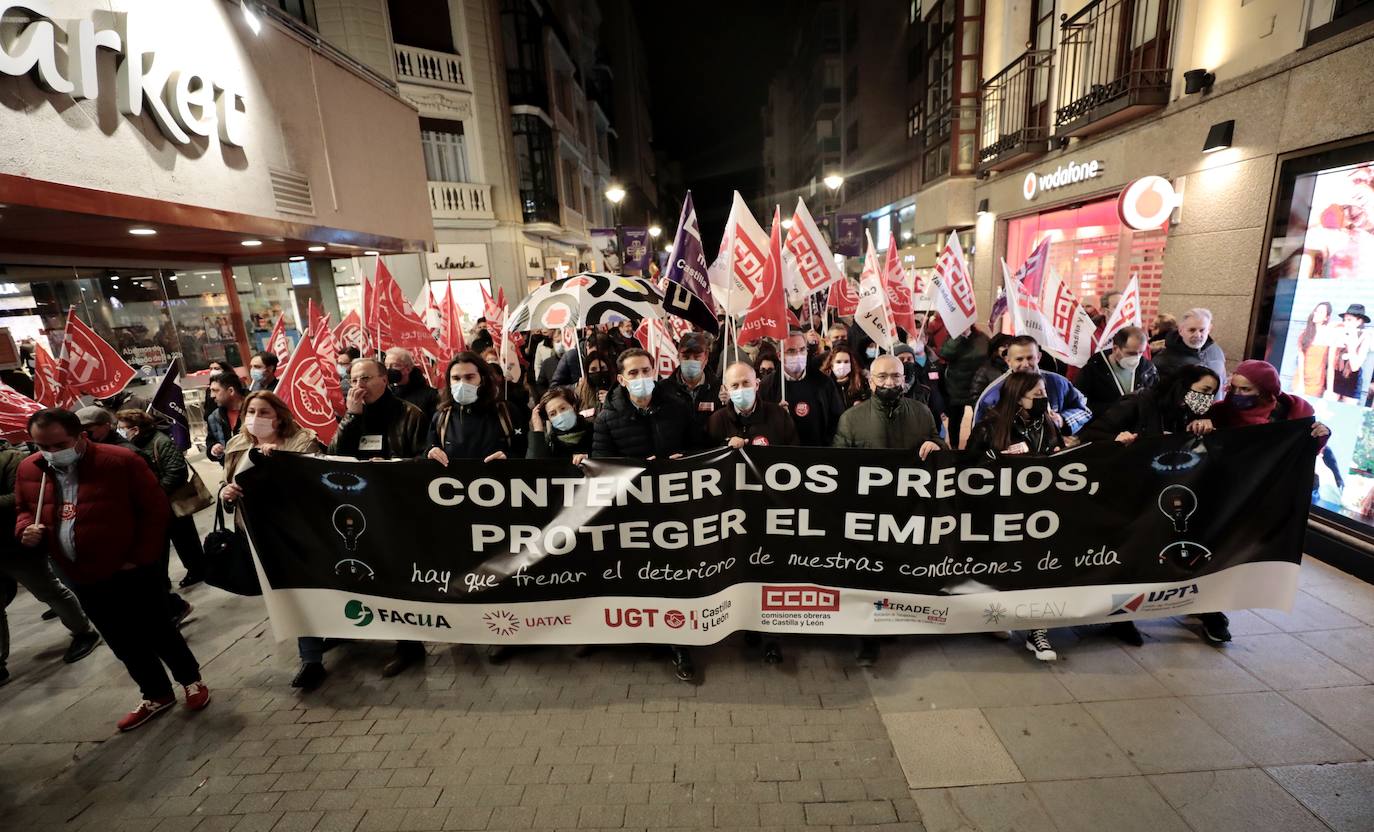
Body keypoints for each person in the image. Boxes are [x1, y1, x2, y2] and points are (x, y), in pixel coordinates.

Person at [16, 408, 209, 731]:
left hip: (132, 570)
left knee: (158, 629)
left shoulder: (120, 461)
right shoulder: (30, 470)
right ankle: (155, 693)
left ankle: (191, 680)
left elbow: (155, 511)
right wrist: (25, 529)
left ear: (80, 436)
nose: (50, 454)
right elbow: (25, 508)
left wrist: (139, 558)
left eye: (58, 444)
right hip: (83, 574)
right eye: (41, 447)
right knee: (121, 639)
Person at [1077, 364, 1221, 646]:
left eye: (1213, 394)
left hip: (1167, 494)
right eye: (1204, 391)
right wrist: (1116, 440)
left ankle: (1207, 610)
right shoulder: (1139, 403)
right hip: (1128, 493)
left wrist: (1205, 433)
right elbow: (1091, 435)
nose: (1208, 399)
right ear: (1183, 385)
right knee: (1129, 555)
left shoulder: (1194, 415)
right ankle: (1119, 618)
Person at [1191, 359, 1331, 645]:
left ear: (1266, 391)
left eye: (1246, 389)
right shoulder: (1220, 412)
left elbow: (1306, 449)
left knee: (1240, 556)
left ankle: (1214, 604)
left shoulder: (1295, 411)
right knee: (1214, 552)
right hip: (1223, 495)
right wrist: (1201, 425)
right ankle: (1210, 610)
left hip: (1265, 498)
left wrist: (1321, 435)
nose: (1237, 394)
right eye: (1234, 387)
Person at [592, 348, 702, 682]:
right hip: (632, 515)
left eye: (646, 371)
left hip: (674, 511)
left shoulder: (678, 408)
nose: (642, 379)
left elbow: (699, 450)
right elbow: (601, 469)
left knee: (674, 575)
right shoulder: (608, 418)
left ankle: (678, 642)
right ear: (622, 380)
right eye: (634, 374)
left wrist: (683, 461)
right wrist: (638, 471)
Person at [833, 354, 945, 668]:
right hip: (867, 512)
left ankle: (889, 623)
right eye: (882, 377)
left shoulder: (922, 413)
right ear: (870, 381)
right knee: (867, 575)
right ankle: (867, 638)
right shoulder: (851, 419)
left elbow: (940, 444)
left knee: (896, 573)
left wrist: (937, 447)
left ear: (905, 379)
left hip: (907, 512)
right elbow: (838, 464)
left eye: (895, 377)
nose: (889, 383)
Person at [218, 392, 327, 688]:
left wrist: (279, 462)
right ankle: (313, 650)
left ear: (279, 415)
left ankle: (312, 657)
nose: (256, 417)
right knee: (286, 596)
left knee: (303, 591)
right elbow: (227, 482)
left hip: (297, 532)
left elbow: (312, 484)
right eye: (250, 411)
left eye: (264, 411)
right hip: (256, 533)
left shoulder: (302, 441)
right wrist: (225, 494)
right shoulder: (237, 445)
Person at [332, 358, 430, 678]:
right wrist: (350, 418)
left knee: (398, 574)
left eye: (365, 378)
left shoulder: (409, 414)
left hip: (398, 505)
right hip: (359, 506)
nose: (358, 385)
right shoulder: (351, 414)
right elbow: (334, 455)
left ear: (384, 379)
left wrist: (391, 465)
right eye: (353, 379)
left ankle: (410, 645)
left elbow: (423, 459)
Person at [966, 372, 1063, 662]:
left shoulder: (1047, 424)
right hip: (1002, 511)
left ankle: (1037, 630)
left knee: (1039, 569)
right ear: (1017, 397)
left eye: (1044, 392)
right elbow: (967, 468)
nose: (1043, 399)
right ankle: (999, 617)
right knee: (1005, 568)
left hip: (1040, 511)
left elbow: (1055, 456)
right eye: (1036, 395)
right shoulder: (990, 426)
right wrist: (994, 461)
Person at [708, 361, 797, 665]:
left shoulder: (778, 416)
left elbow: (796, 457)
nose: (741, 390)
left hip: (771, 511)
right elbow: (704, 464)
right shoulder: (718, 421)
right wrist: (725, 447)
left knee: (770, 572)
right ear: (726, 390)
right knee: (741, 571)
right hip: (734, 515)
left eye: (746, 383)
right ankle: (747, 625)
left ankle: (772, 637)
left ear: (757, 383)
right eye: (734, 386)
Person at [0, 441, 101, 686]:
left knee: (49, 590)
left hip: (13, 545)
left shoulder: (10, 458)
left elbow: (21, 498)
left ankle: (83, 631)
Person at [116, 409, 207, 589]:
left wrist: (156, 493)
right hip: (154, 505)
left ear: (135, 429)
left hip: (171, 501)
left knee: (185, 540)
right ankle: (162, 580)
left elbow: (176, 471)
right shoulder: (130, 446)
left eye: (122, 427)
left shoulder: (160, 441)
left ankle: (198, 570)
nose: (119, 431)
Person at [968, 336, 1092, 447]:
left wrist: (1062, 420)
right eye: (1019, 359)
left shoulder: (1058, 383)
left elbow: (1084, 410)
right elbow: (979, 433)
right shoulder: (992, 394)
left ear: (1038, 357)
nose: (1025, 364)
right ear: (1008, 360)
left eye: (1030, 358)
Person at [425, 352, 526, 466]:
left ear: (482, 379)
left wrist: (509, 457)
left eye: (469, 377)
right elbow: (430, 447)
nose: (462, 383)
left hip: (497, 480)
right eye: (456, 378)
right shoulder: (441, 417)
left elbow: (523, 450)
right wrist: (432, 451)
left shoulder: (506, 412)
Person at [760, 330, 845, 447]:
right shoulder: (767, 386)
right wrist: (775, 414)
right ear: (780, 355)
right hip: (782, 455)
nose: (798, 355)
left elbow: (837, 419)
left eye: (802, 349)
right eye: (791, 351)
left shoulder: (823, 382)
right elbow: (760, 425)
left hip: (818, 451)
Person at [1074, 326, 1159, 416]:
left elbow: (1155, 400)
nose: (1137, 358)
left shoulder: (1148, 369)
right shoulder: (1092, 370)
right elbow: (1080, 404)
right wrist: (1116, 409)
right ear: (1115, 349)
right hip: (1103, 425)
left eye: (1140, 352)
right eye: (1131, 353)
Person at [939, 326, 990, 445]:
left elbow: (988, 354)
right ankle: (954, 447)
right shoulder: (952, 337)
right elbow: (945, 353)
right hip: (956, 385)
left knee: (979, 418)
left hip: (977, 385)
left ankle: (973, 445)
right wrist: (959, 337)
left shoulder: (981, 338)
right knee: (955, 419)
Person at [665, 333, 721, 434]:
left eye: (696, 357)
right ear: (678, 356)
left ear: (706, 356)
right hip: (677, 449)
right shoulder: (665, 389)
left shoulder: (719, 388)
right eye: (686, 357)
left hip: (710, 448)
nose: (691, 361)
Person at [1153, 308, 1226, 381]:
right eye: (1192, 330)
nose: (1197, 335)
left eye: (1202, 330)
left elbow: (1222, 381)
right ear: (1181, 330)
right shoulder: (1163, 361)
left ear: (1209, 329)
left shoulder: (1216, 352)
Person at [527, 386, 593, 462]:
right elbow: (534, 467)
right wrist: (538, 431)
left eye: (563, 408)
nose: (560, 415)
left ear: (573, 406)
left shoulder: (594, 431)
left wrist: (589, 458)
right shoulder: (551, 442)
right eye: (552, 414)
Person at [385, 347, 440, 422]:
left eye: (394, 365)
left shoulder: (430, 395)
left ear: (408, 369)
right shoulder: (386, 393)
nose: (388, 369)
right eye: (386, 366)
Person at [1294, 302, 1336, 397]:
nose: (1316, 313)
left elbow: (1331, 366)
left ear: (1326, 317)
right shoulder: (1304, 334)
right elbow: (1301, 361)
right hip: (1301, 380)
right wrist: (1301, 384)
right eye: (1316, 310)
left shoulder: (1330, 336)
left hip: (1317, 382)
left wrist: (1330, 390)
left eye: (1320, 312)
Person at [1330, 304, 1370, 403]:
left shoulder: (1365, 337)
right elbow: (1331, 362)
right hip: (1336, 376)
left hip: (1352, 380)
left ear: (1359, 321)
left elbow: (1355, 366)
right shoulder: (1339, 333)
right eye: (1344, 320)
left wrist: (1351, 344)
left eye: (1349, 320)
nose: (1345, 323)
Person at [205, 371, 246, 465]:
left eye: (215, 390)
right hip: (230, 470)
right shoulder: (214, 417)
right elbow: (210, 440)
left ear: (231, 391)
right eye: (211, 391)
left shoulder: (256, 410)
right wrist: (213, 448)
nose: (211, 396)